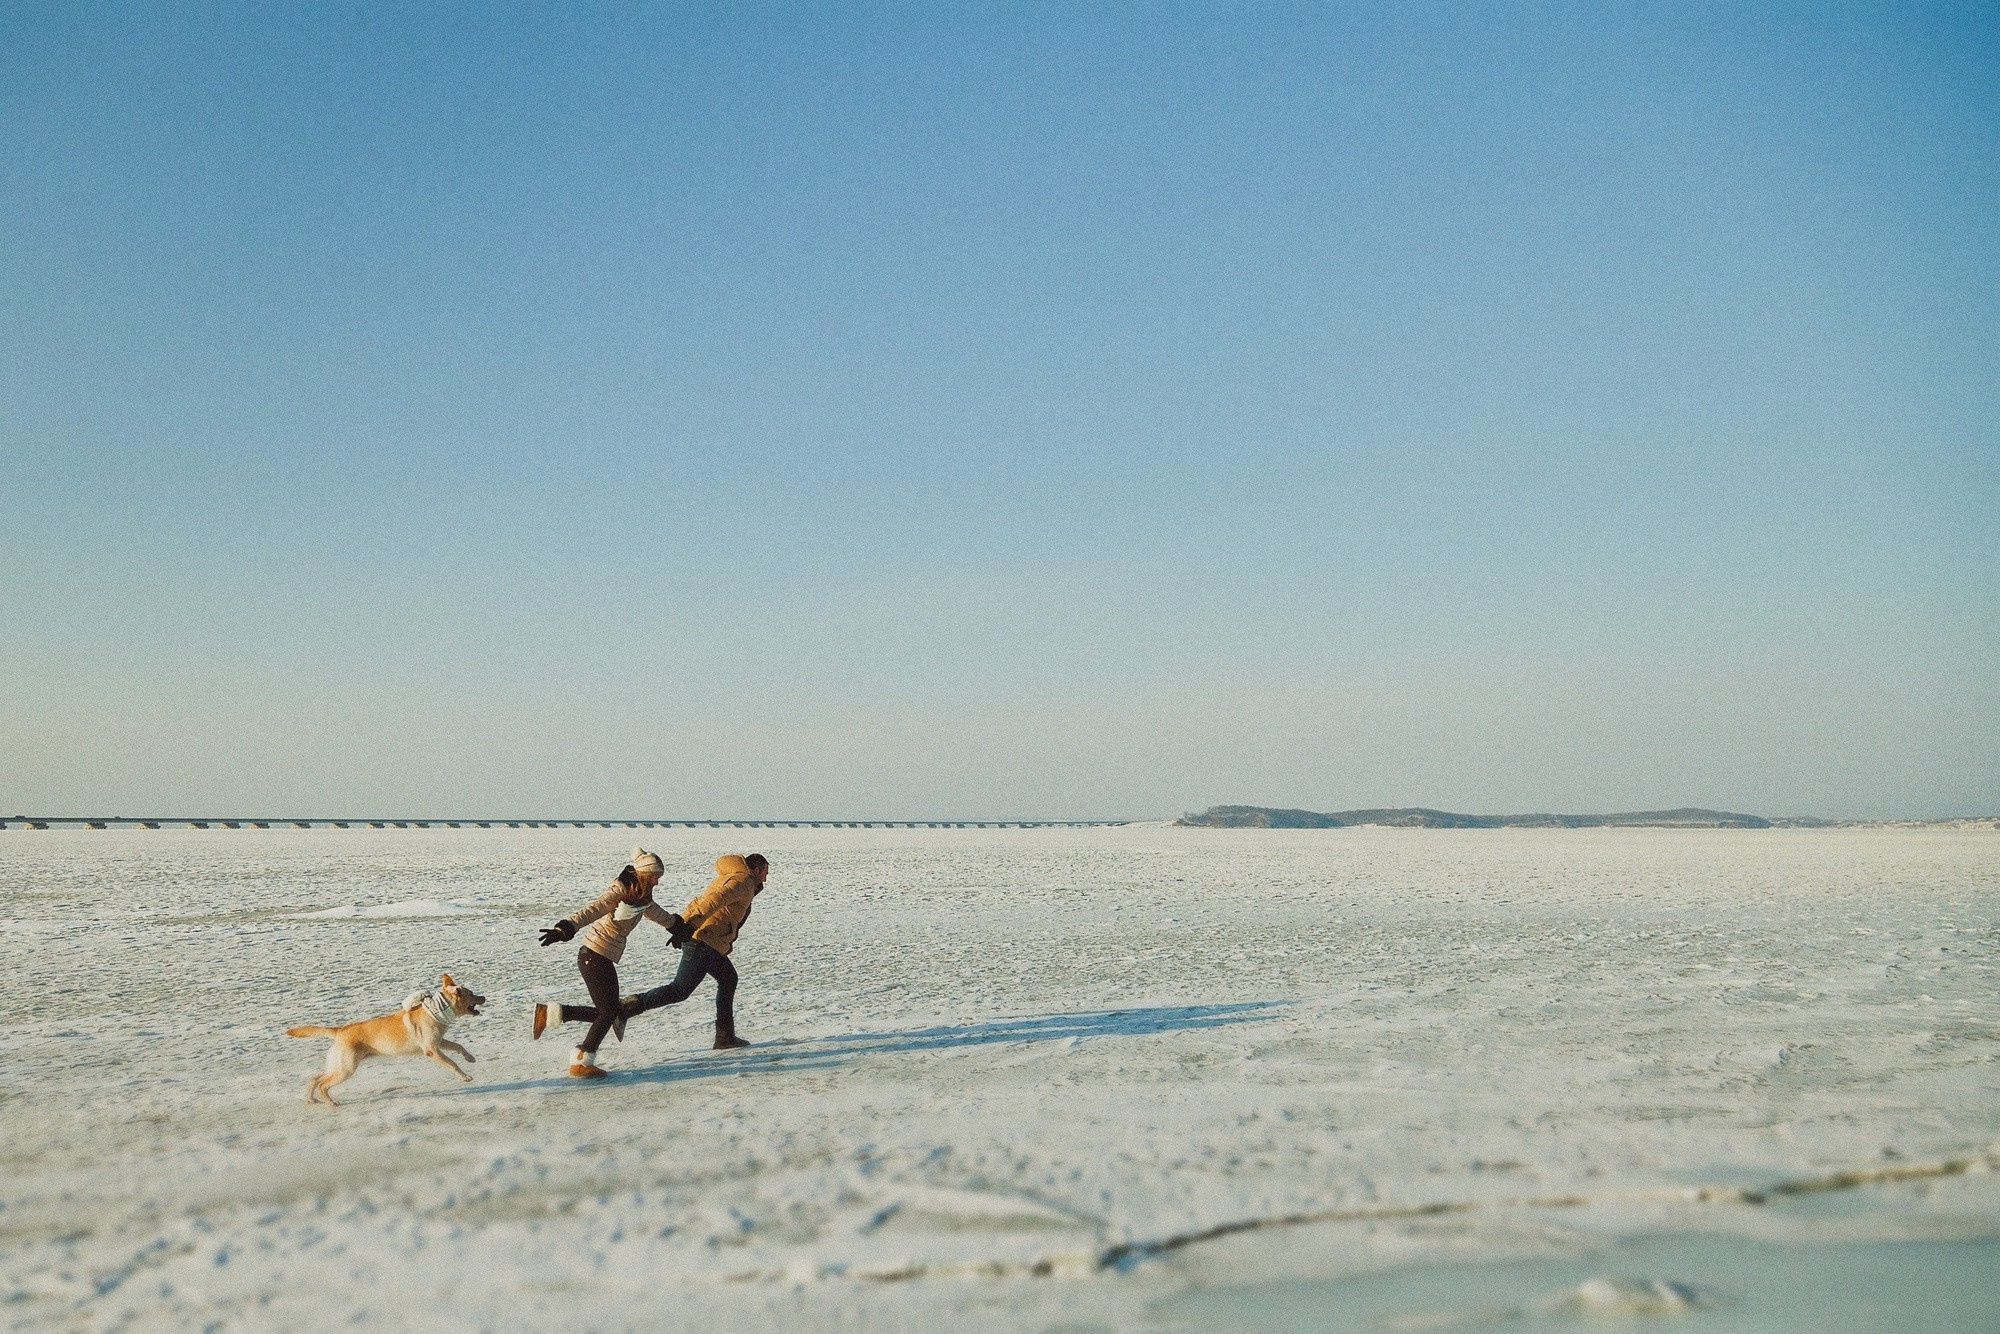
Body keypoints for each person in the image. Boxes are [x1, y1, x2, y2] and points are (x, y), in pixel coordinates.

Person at [531, 847, 681, 1079]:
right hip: (593, 955)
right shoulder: (619, 890)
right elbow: (594, 909)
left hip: (602, 956)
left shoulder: (641, 897)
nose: (657, 882)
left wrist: (679, 928)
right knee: (610, 1011)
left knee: (609, 1012)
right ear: (643, 875)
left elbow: (660, 915)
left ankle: (552, 1013)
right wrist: (565, 928)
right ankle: (581, 1061)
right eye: (654, 877)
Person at [620, 852, 767, 1049]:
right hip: (704, 941)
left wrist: (684, 926)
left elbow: (704, 902)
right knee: (680, 990)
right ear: (755, 869)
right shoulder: (742, 881)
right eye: (765, 872)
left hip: (710, 941)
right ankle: (627, 1008)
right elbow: (713, 900)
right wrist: (687, 928)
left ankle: (725, 1037)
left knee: (728, 978)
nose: (766, 878)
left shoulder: (734, 879)